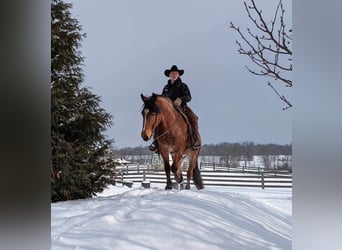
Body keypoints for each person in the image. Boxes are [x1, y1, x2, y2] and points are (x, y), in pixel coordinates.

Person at [149, 65, 201, 152]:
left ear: (178, 75)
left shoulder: (183, 86)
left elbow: (188, 97)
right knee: (157, 119)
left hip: (181, 108)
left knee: (194, 118)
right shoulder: (166, 88)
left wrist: (181, 99)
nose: (174, 75)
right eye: (172, 73)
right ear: (169, 75)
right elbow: (162, 100)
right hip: (167, 111)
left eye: (176, 73)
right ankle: (156, 141)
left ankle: (195, 139)